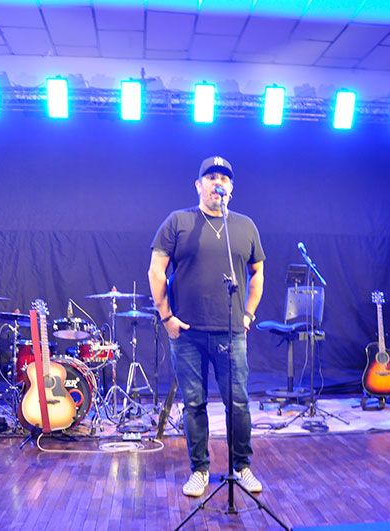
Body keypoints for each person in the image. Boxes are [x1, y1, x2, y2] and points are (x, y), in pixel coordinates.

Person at [148, 155, 265, 497]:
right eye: (211, 177)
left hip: (231, 333)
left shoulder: (245, 226)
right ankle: (199, 470)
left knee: (238, 403)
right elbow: (156, 270)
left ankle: (241, 467)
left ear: (232, 188)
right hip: (187, 334)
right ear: (198, 185)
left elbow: (258, 272)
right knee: (194, 404)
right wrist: (166, 317)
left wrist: (248, 315)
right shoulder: (178, 221)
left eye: (224, 179)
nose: (218, 183)